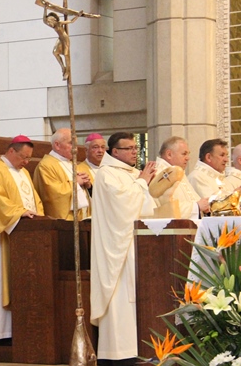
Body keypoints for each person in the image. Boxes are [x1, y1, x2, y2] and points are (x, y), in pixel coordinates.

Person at [90, 132, 156, 366]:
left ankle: (137, 349)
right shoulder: (107, 174)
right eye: (129, 149)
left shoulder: (130, 174)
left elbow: (146, 207)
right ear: (115, 151)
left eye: (135, 148)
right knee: (119, 298)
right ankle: (117, 353)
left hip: (133, 243)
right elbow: (122, 205)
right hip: (116, 247)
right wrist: (142, 182)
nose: (134, 152)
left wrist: (144, 183)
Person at [0, 135, 44, 342]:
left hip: (23, 237)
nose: (26, 162)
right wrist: (19, 213)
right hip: (0, 238)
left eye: (29, 158)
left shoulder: (24, 173)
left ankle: (17, 331)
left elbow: (35, 200)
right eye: (23, 157)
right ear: (11, 151)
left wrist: (38, 215)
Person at [32, 128, 91, 220]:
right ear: (57, 145)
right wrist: (75, 183)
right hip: (63, 222)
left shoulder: (71, 164)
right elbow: (53, 195)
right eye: (71, 143)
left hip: (81, 218)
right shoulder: (46, 166)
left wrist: (87, 186)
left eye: (76, 144)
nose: (76, 149)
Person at [155, 136, 209, 219]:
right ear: (169, 154)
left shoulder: (178, 172)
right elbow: (166, 209)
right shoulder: (161, 175)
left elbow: (194, 200)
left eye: (188, 154)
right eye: (184, 154)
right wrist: (197, 207)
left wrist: (204, 206)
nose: (188, 158)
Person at [42, 3, 83, 79]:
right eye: (49, 21)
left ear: (54, 20)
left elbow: (71, 21)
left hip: (65, 39)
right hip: (60, 39)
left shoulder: (59, 23)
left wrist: (78, 15)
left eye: (50, 21)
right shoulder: (53, 25)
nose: (49, 23)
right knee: (55, 52)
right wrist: (45, 9)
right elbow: (44, 20)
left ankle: (67, 71)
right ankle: (63, 67)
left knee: (66, 55)